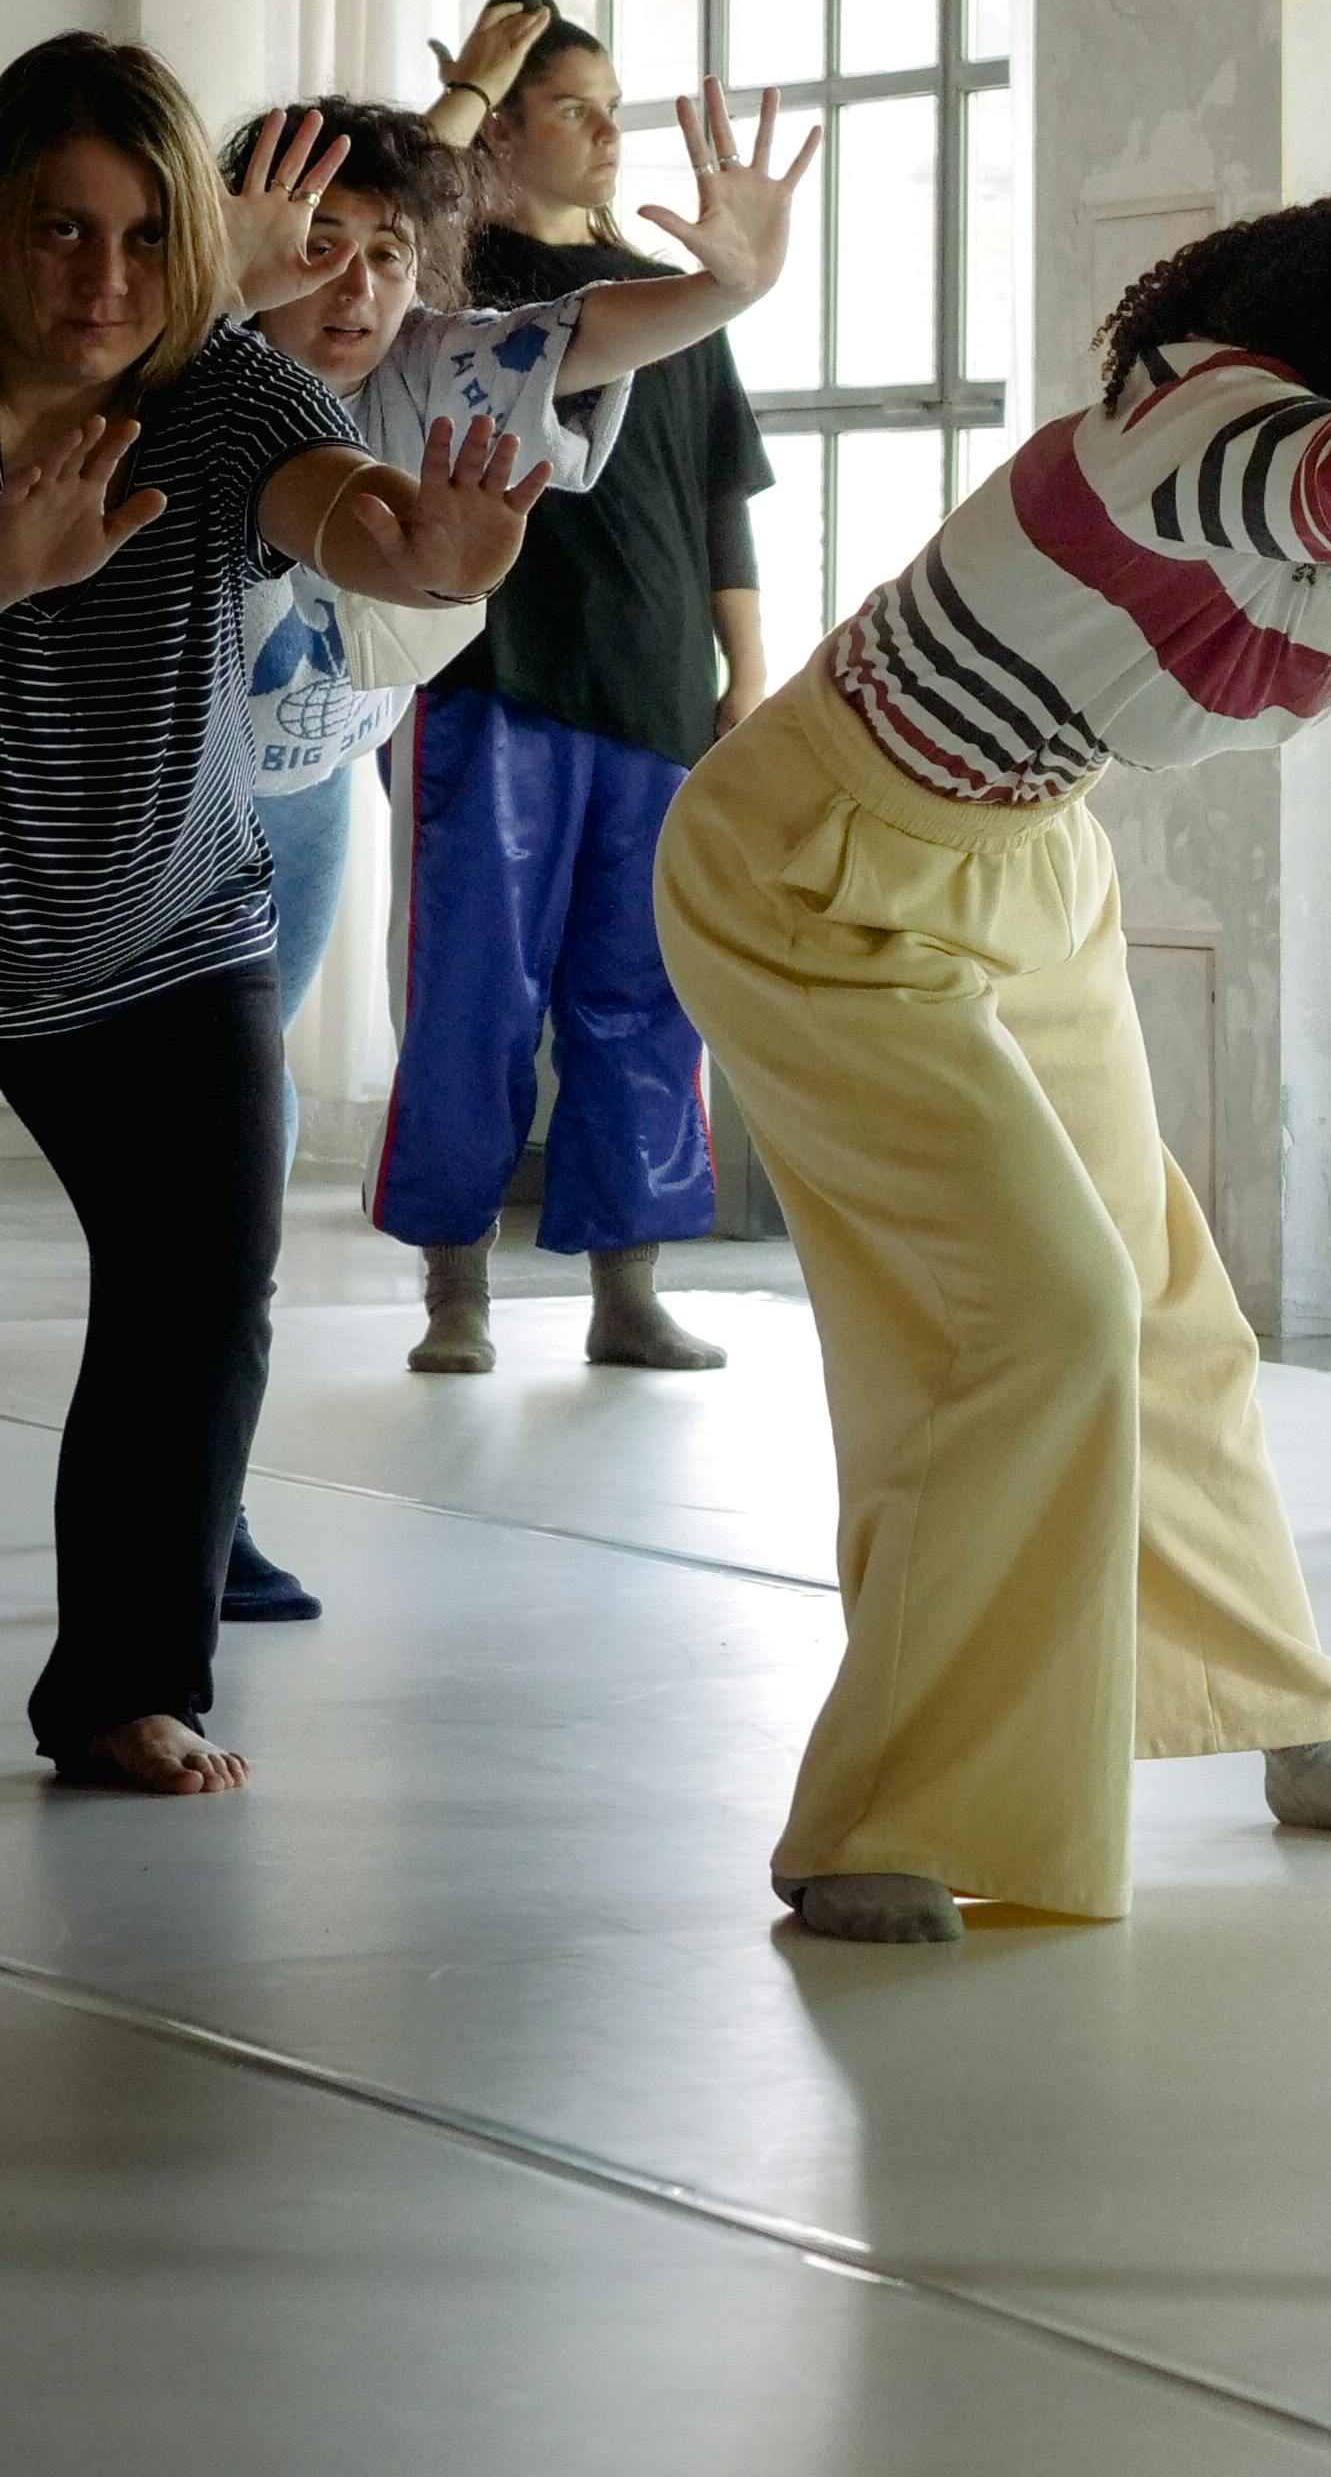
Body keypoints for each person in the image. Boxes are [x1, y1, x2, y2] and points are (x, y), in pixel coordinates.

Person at [647, 155, 1331, 1949]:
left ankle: (1281, 1722)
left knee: (1172, 1313)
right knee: (1038, 1314)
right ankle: (878, 1811)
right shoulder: (1197, 410)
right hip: (809, 858)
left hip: (1024, 861)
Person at [1, 42, 547, 1797]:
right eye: (60, 233)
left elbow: (351, 517)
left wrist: (437, 553)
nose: (106, 282)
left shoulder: (223, 391)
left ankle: (124, 1688)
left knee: (196, 1301)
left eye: (149, 240)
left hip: (169, 930)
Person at [198, 85, 811, 1621]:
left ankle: (202, 1505)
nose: (356, 289)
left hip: (311, 782)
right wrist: (221, 280)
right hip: (153, 794)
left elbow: (595, 334)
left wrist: (733, 285)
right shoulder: (183, 369)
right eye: (317, 248)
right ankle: (272, 1429)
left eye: (390, 256)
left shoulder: (425, 366)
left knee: (232, 1151)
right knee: (222, 1142)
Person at [379, 0, 772, 1377]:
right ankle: (455, 1285)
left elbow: (723, 487)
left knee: (646, 996)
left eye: (616, 105)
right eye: (573, 106)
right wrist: (461, 108)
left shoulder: (670, 289)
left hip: (658, 681)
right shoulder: (443, 269)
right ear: (503, 129)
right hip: (491, 672)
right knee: (474, 990)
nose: (609, 132)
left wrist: (746, 670)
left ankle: (630, 1283)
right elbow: (390, 239)